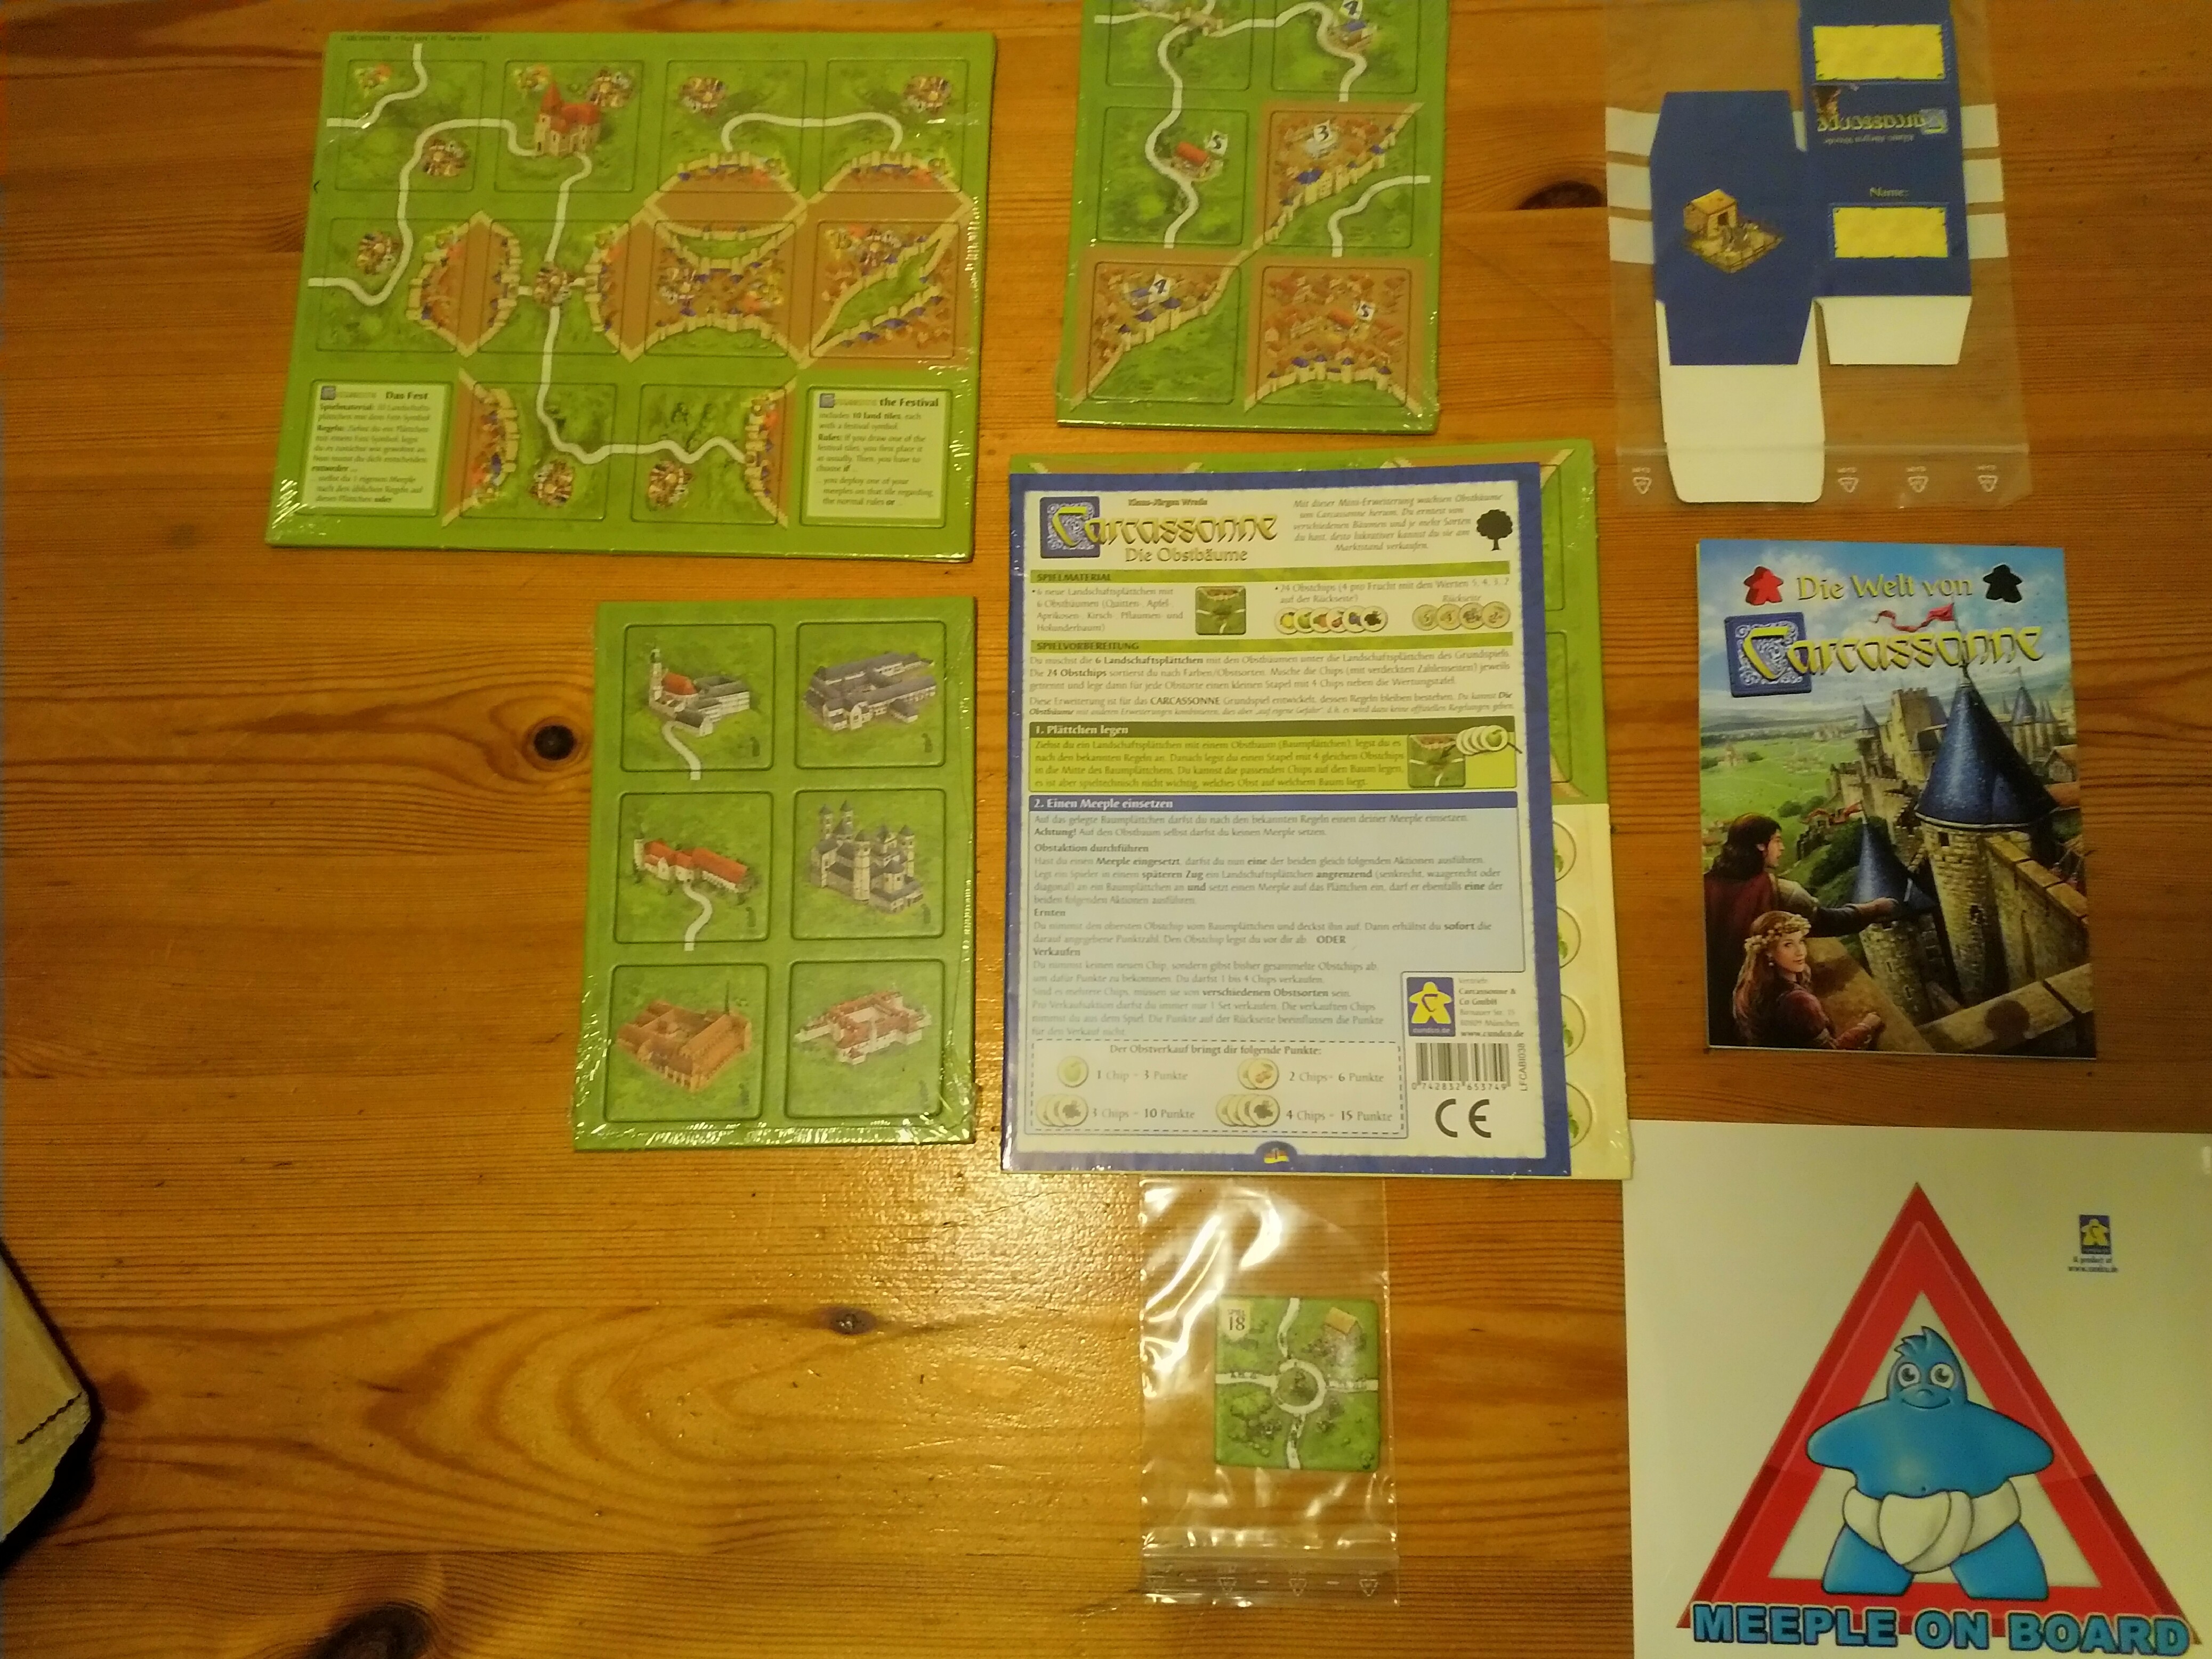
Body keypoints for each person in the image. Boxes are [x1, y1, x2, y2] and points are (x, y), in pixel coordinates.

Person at [1704, 815, 1895, 1045]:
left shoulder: (1703, 886)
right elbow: (1830, 921)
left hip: (1712, 1012)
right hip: (1761, 1008)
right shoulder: (1781, 892)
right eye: (1777, 840)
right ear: (1760, 846)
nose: (1782, 848)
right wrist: (1875, 909)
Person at [1733, 911, 1883, 1049]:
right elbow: (1831, 1054)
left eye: (1801, 941)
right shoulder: (1798, 1001)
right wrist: (1866, 1027)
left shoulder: (1749, 986)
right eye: (1788, 944)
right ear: (1768, 952)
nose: (1800, 951)